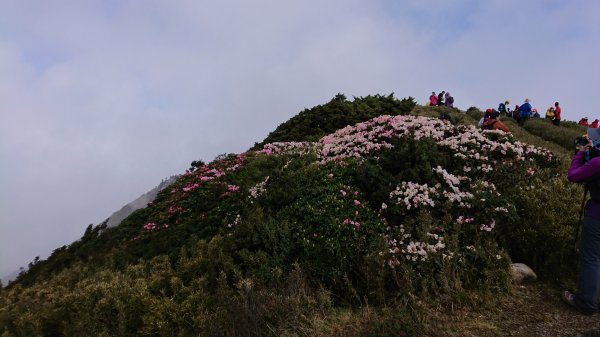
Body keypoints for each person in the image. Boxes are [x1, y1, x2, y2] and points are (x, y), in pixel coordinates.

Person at [563, 128, 600, 315]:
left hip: (597, 215)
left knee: (592, 258)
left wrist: (580, 153)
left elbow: (573, 175)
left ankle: (586, 302)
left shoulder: (597, 163)